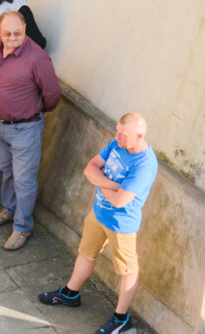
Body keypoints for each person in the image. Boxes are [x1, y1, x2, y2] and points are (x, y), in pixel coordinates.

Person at [37, 113, 157, 334]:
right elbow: (89, 168)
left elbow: (121, 201)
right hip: (98, 213)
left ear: (139, 136)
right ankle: (70, 294)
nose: (117, 137)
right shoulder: (117, 144)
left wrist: (100, 182)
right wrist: (112, 185)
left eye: (123, 134)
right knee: (86, 254)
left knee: (128, 271)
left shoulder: (144, 164)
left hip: (121, 225)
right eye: (117, 131)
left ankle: (121, 319)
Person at [0, 11, 61, 251]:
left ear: (25, 29)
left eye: (17, 33)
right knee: (6, 170)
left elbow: (52, 94)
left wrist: (35, 111)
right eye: (7, 33)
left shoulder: (37, 58)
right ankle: (8, 210)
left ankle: (22, 227)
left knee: (24, 180)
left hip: (25, 128)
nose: (12, 38)